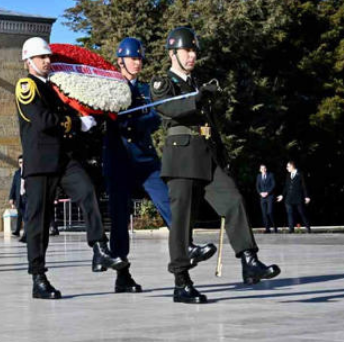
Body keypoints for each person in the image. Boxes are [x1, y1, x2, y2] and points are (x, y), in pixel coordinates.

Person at [150, 27, 280, 303]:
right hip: (182, 158)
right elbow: (170, 108)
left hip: (207, 156)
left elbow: (208, 125)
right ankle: (181, 282)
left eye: (194, 51)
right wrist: (198, 98)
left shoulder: (198, 84)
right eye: (187, 50)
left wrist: (221, 153)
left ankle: (249, 260)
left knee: (233, 201)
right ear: (173, 53)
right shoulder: (163, 83)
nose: (192, 56)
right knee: (183, 220)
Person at [15, 37, 125, 300]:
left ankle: (99, 247)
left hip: (64, 158)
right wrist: (76, 123)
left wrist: (90, 117)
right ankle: (38, 277)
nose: (47, 61)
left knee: (87, 192)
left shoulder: (55, 87)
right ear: (29, 61)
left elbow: (71, 112)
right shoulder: (26, 86)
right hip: (41, 162)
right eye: (42, 57)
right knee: (39, 222)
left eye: (48, 57)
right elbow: (42, 120)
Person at [104, 37, 215, 294]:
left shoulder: (146, 89)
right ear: (120, 60)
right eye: (133, 58)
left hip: (145, 158)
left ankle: (186, 246)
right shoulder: (110, 87)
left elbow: (157, 115)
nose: (138, 63)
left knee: (169, 202)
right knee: (120, 218)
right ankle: (122, 274)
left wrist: (136, 123)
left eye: (140, 59)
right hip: (119, 158)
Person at [277, 161, 311, 233]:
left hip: (298, 197)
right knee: (289, 213)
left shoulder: (300, 174)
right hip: (289, 198)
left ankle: (308, 228)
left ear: (292, 166)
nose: (287, 168)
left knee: (302, 213)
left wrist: (306, 196)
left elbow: (304, 186)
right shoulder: (288, 175)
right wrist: (282, 195)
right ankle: (291, 229)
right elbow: (286, 186)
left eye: (288, 166)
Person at [8, 156, 26, 242]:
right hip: (19, 197)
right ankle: (17, 231)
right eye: (20, 162)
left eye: (23, 162)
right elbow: (14, 186)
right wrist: (11, 197)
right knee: (19, 214)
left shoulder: (29, 172)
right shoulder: (17, 173)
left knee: (26, 215)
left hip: (27, 196)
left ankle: (26, 231)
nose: (21, 164)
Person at [256, 164, 277, 233]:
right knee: (264, 214)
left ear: (266, 169)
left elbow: (273, 185)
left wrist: (267, 192)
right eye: (262, 168)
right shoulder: (258, 176)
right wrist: (260, 193)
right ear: (260, 170)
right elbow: (257, 186)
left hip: (269, 196)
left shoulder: (270, 175)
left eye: (264, 168)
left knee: (270, 212)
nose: (263, 170)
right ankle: (267, 229)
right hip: (262, 197)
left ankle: (274, 227)